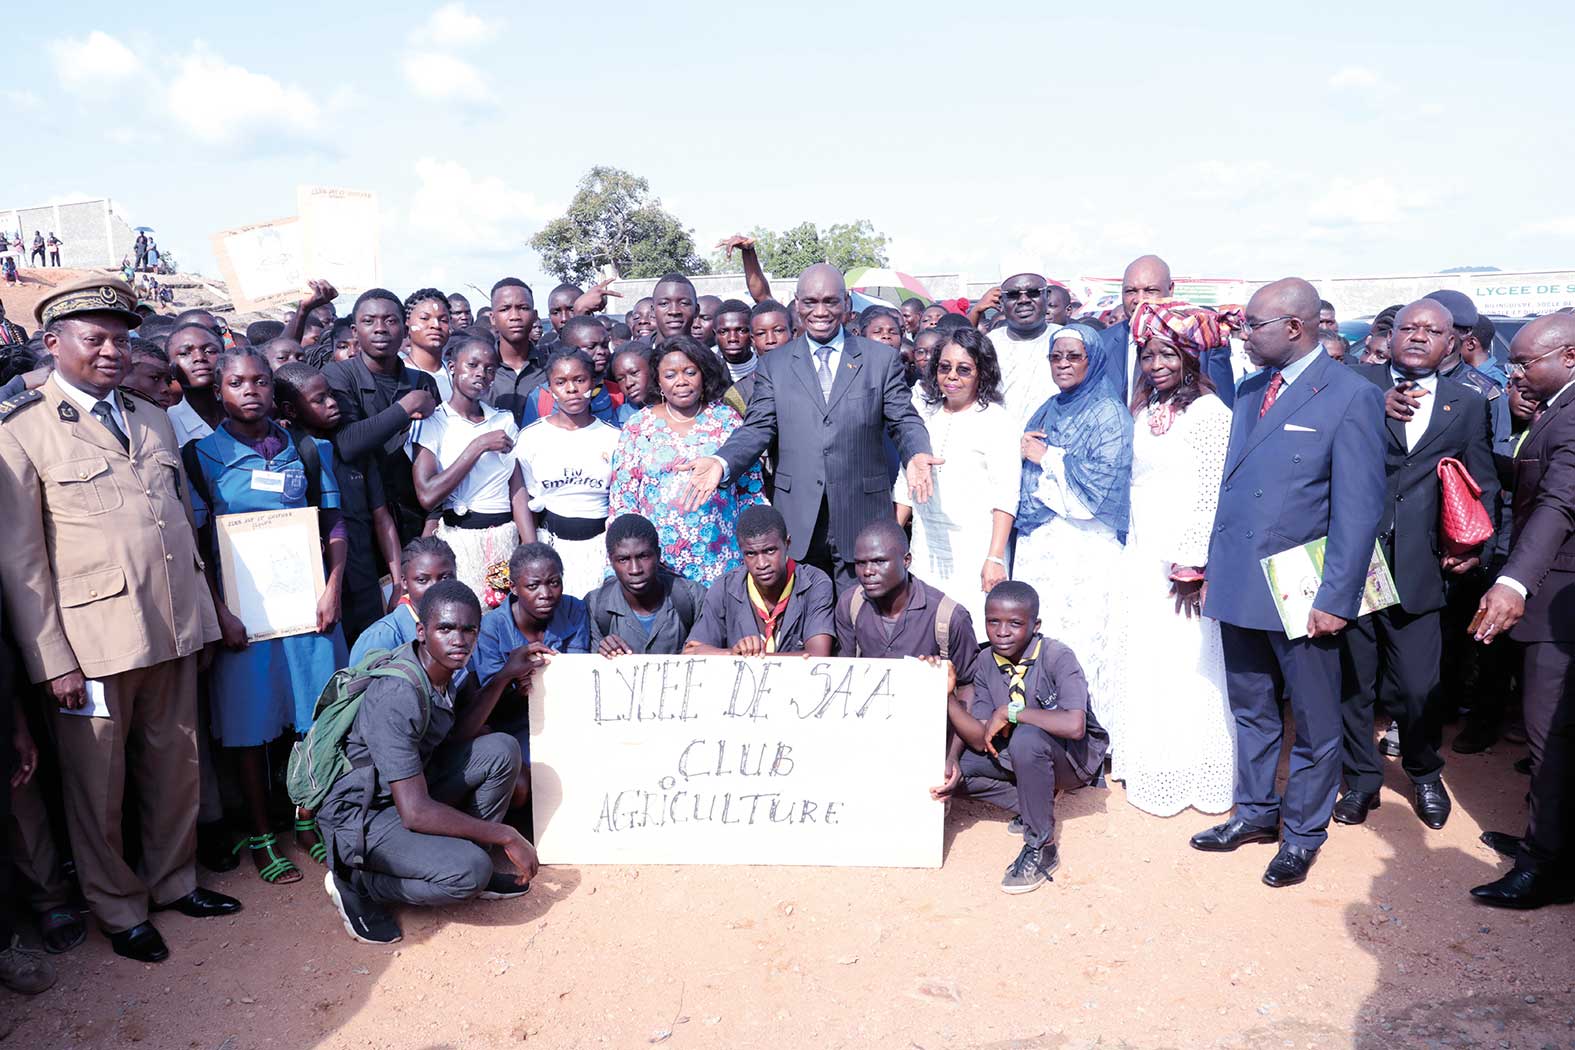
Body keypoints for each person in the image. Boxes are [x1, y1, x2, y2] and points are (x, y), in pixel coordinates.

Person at [0, 277, 237, 963]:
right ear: (52, 344)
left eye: (120, 339)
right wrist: (53, 661)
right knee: (97, 789)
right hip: (91, 645)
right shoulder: (21, 428)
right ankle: (118, 906)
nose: (111, 351)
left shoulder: (150, 415)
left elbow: (181, 527)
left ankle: (174, 881)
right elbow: (21, 561)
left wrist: (203, 618)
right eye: (95, 338)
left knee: (177, 766)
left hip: (171, 628)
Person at [1191, 278, 1385, 889]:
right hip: (1240, 583)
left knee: (1315, 721)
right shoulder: (1251, 390)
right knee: (1251, 710)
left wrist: (1336, 599)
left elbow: (1357, 510)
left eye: (1253, 326)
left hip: (1303, 588)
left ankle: (1302, 834)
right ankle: (1253, 814)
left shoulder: (1351, 395)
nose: (1243, 335)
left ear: (1295, 327)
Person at [1330, 299, 1498, 832]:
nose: (1420, 336)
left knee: (1419, 682)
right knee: (1354, 682)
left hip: (1421, 565)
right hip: (1354, 560)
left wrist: (1476, 548)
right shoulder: (1353, 383)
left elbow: (1482, 480)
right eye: (1410, 327)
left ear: (1452, 342)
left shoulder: (1466, 404)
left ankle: (1425, 773)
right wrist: (1370, 406)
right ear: (1392, 332)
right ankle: (1361, 780)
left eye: (1434, 330)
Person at [186, 348, 349, 884]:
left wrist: (332, 587)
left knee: (313, 721)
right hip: (243, 622)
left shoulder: (306, 449)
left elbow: (335, 525)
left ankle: (305, 821)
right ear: (219, 391)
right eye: (237, 382)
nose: (249, 390)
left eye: (259, 381)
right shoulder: (200, 457)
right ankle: (260, 834)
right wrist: (219, 612)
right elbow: (197, 544)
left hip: (308, 611)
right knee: (248, 727)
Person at [683, 264, 939, 586]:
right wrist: (722, 461)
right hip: (799, 520)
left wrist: (916, 453)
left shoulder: (880, 360)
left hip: (861, 513)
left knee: (859, 619)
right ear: (797, 303)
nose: (820, 312)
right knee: (805, 625)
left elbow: (904, 418)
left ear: (846, 303)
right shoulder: (775, 365)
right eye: (811, 302)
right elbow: (758, 427)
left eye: (830, 301)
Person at [315, 581, 538, 946]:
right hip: (365, 813)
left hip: (404, 789)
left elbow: (459, 734)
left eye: (469, 630)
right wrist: (506, 834)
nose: (459, 640)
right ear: (422, 631)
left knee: (501, 749)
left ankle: (455, 863)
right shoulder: (398, 694)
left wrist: (504, 677)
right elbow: (415, 812)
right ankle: (356, 882)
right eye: (446, 628)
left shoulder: (442, 672)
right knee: (471, 870)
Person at [1104, 299, 1238, 817]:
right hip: (1142, 554)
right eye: (1147, 355)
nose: (1155, 365)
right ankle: (1151, 764)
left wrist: (1191, 564)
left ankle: (1193, 772)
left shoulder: (1209, 414)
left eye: (1166, 354)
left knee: (1187, 663)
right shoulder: (1144, 411)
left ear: (1188, 357)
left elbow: (1210, 493)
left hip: (1181, 564)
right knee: (1148, 661)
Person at [1468, 315, 1575, 910]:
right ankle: (1549, 839)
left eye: (1526, 362)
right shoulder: (1556, 406)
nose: (1517, 373)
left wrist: (1513, 582)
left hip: (1559, 597)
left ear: (1570, 355)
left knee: (1550, 735)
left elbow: (1559, 503)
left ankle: (1546, 866)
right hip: (1555, 591)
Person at [932, 581, 1108, 894]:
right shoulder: (986, 661)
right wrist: (947, 697)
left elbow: (1074, 726)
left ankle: (1042, 846)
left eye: (1015, 623)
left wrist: (1012, 712)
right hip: (1019, 756)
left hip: (1070, 759)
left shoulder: (1057, 656)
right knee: (951, 769)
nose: (1002, 632)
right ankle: (1031, 802)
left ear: (1035, 625)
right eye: (993, 622)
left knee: (1027, 737)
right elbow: (979, 738)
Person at [1015, 324, 1132, 731]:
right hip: (1044, 548)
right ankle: (1043, 731)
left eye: (1073, 356)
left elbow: (1105, 484)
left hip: (1085, 550)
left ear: (1093, 359)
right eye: (1056, 356)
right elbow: (1026, 464)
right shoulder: (1049, 406)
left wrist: (1048, 457)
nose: (1063, 364)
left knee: (1083, 641)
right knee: (1046, 637)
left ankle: (1090, 736)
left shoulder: (1109, 413)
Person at [610, 337, 766, 586]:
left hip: (721, 559)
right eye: (670, 375)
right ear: (658, 380)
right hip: (657, 565)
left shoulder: (727, 420)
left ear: (703, 374)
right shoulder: (638, 427)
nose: (681, 382)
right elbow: (624, 500)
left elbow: (751, 492)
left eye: (690, 372)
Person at [894, 327, 1018, 636]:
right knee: (925, 633)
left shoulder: (995, 420)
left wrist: (994, 557)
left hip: (974, 546)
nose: (952, 376)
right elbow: (905, 479)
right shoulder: (925, 414)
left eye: (964, 369)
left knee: (968, 635)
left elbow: (1006, 494)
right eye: (944, 367)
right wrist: (895, 539)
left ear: (982, 374)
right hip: (926, 544)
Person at [274, 362, 403, 644]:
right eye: (319, 400)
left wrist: (397, 582)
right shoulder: (286, 455)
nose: (333, 404)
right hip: (316, 586)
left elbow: (382, 518)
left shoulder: (356, 452)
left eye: (331, 394)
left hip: (364, 578)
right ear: (290, 411)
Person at [411, 337, 534, 599]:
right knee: (463, 613)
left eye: (490, 369)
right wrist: (477, 446)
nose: (481, 374)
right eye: (473, 365)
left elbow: (517, 491)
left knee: (504, 610)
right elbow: (427, 495)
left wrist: (531, 549)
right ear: (453, 366)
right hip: (459, 539)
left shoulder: (503, 420)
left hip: (503, 539)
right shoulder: (434, 422)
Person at [322, 289, 440, 543]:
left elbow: (440, 458)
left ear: (405, 329)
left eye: (390, 320)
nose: (380, 328)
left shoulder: (422, 382)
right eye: (369, 321)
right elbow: (347, 443)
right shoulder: (338, 376)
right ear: (355, 332)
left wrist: (432, 523)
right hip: (359, 520)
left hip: (416, 518)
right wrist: (405, 407)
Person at [472, 543, 592, 767]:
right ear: (514, 588)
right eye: (533, 586)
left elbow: (578, 672)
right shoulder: (492, 627)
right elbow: (490, 699)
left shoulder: (574, 610)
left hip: (566, 717)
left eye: (554, 583)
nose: (545, 594)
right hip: (513, 724)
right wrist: (515, 684)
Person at [515, 349, 620, 595]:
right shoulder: (531, 438)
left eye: (579, 380)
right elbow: (524, 498)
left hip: (601, 547)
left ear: (593, 383)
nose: (571, 389)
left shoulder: (613, 438)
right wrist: (533, 550)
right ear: (550, 389)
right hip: (551, 545)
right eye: (561, 382)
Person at [836, 520, 979, 685]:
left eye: (879, 561)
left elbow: (968, 684)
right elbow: (844, 671)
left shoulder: (949, 617)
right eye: (861, 563)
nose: (868, 571)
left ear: (906, 560)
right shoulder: (850, 604)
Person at [685, 506, 835, 657]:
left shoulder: (814, 583)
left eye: (770, 551)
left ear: (787, 543)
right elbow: (691, 651)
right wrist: (733, 653)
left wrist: (748, 658)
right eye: (751, 554)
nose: (762, 564)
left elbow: (819, 656)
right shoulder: (724, 587)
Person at [1097, 255, 1235, 406]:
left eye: (1150, 290)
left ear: (1171, 289)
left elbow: (1224, 402)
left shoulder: (1203, 340)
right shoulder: (1101, 344)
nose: (1139, 299)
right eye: (1131, 291)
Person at [587, 514, 709, 656]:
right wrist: (603, 654)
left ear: (658, 555)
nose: (635, 570)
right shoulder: (595, 605)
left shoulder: (693, 598)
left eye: (643, 556)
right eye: (623, 559)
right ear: (611, 561)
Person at [349, 536, 457, 667]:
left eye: (445, 578)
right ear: (404, 582)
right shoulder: (380, 639)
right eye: (422, 580)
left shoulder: (460, 625)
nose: (435, 588)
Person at [980, 274, 1061, 427]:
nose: (1024, 300)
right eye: (1013, 295)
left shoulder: (1066, 340)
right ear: (1001, 302)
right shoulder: (987, 345)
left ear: (1047, 296)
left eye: (1033, 292)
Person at [519, 317, 625, 427]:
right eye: (591, 347)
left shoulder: (618, 393)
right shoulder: (541, 397)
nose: (601, 352)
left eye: (604, 345)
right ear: (569, 350)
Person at [487, 278, 547, 423]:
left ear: (534, 316)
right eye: (505, 309)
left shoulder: (550, 368)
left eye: (523, 308)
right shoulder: (479, 370)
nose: (514, 316)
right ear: (493, 318)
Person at [166, 321, 225, 445]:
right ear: (169, 367)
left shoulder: (248, 411)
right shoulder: (167, 422)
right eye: (184, 353)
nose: (199, 357)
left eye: (210, 351)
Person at [402, 288, 453, 402]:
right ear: (407, 324)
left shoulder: (457, 374)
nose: (436, 325)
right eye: (425, 318)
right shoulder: (397, 374)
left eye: (443, 320)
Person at [608, 346, 651, 415]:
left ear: (651, 369)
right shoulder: (619, 417)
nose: (628, 383)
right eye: (620, 379)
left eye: (634, 373)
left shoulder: (672, 406)